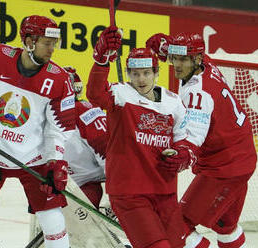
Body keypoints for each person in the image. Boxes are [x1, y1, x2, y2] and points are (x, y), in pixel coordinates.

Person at [0, 15, 76, 248]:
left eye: (54, 43)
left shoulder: (59, 80)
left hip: (34, 158)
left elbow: (61, 128)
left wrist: (55, 161)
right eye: (46, 42)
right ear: (29, 41)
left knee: (54, 222)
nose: (52, 49)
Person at [86, 26, 210, 248]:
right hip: (129, 194)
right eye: (135, 74)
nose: (141, 79)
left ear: (156, 73)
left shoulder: (173, 102)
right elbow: (95, 94)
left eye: (146, 73)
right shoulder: (120, 95)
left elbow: (184, 140)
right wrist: (102, 60)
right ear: (129, 73)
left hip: (165, 193)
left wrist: (182, 156)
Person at [146, 32, 257, 248]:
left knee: (178, 227)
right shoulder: (205, 63)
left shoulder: (198, 95)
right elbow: (182, 52)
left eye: (183, 60)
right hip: (242, 158)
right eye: (174, 58)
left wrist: (181, 153)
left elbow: (193, 136)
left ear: (196, 59)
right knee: (225, 226)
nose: (177, 65)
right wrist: (165, 46)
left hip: (224, 168)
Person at [62, 66, 107, 209]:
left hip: (87, 182)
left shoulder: (84, 111)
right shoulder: (45, 112)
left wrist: (118, 192)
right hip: (67, 181)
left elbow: (106, 148)